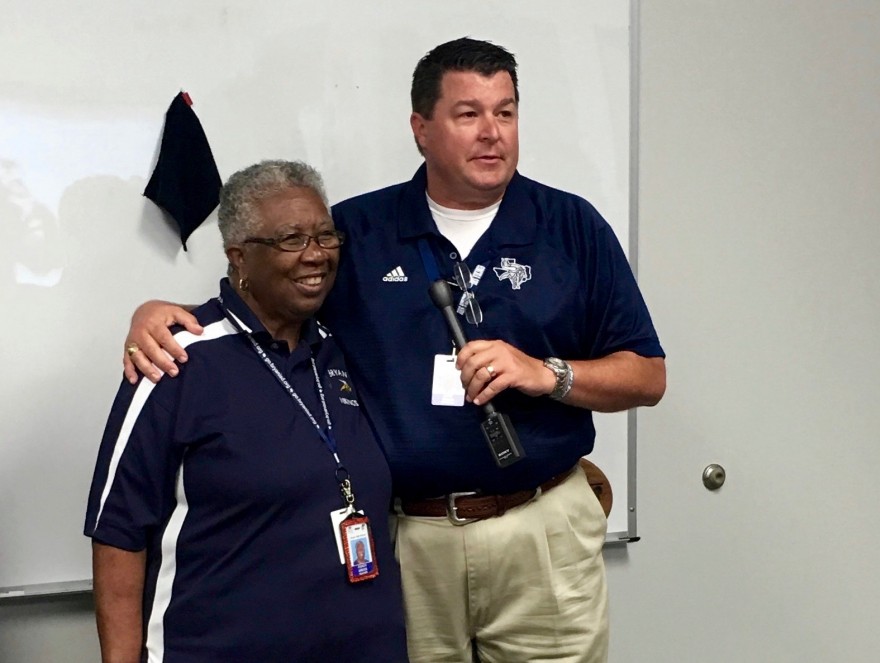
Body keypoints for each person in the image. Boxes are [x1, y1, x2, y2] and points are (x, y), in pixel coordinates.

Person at [123, 38, 665, 663]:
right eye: (469, 114)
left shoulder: (573, 227)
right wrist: (166, 316)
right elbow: (269, 307)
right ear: (421, 129)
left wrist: (548, 374)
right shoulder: (359, 232)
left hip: (541, 529)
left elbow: (647, 377)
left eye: (506, 112)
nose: (493, 133)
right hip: (407, 539)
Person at [86, 160, 407, 662]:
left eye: (325, 235)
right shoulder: (177, 361)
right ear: (238, 257)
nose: (316, 255)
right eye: (291, 240)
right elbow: (118, 532)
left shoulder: (340, 351)